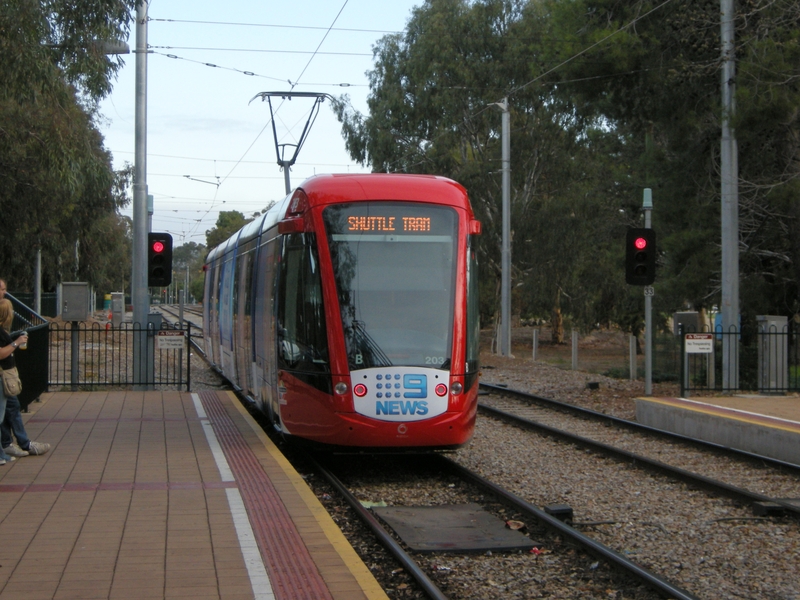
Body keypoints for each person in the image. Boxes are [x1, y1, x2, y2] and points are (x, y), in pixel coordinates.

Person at [0, 299, 49, 459]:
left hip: (6, 376)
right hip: (3, 376)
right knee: (8, 410)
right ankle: (20, 444)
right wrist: (16, 343)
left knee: (10, 408)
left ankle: (8, 444)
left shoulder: (3, 331)